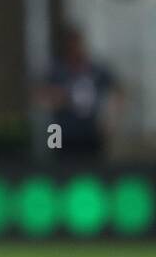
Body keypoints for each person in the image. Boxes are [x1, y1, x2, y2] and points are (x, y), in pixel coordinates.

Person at [37, 26, 121, 158]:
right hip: (61, 132)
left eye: (77, 43)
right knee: (59, 165)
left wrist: (110, 117)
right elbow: (41, 97)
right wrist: (59, 98)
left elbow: (117, 91)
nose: (74, 48)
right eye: (70, 44)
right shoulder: (56, 70)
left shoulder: (96, 70)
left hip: (91, 131)